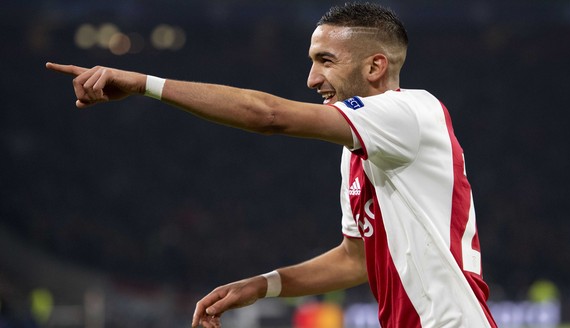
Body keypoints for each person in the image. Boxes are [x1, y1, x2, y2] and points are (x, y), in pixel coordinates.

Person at [46, 2, 497, 327]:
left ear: (376, 66)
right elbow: (355, 258)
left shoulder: (410, 113)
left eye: (326, 61)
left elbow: (270, 116)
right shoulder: (359, 149)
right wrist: (260, 285)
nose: (312, 78)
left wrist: (145, 82)